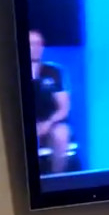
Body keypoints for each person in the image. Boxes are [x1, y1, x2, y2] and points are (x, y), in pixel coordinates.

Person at [30, 29, 71, 174]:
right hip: (27, 124)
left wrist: (48, 123)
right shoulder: (14, 72)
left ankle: (57, 178)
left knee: (61, 134)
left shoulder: (53, 71)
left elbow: (64, 107)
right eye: (31, 44)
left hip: (51, 122)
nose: (35, 47)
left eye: (38, 43)